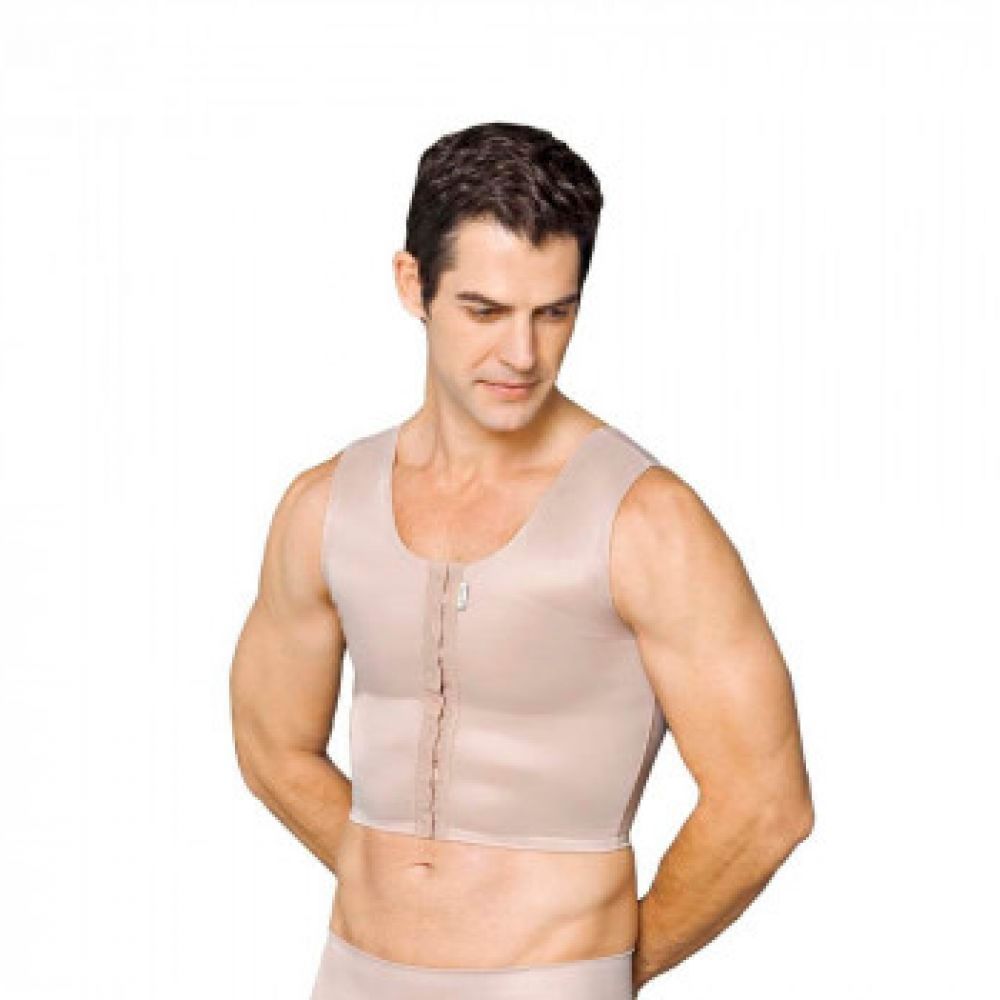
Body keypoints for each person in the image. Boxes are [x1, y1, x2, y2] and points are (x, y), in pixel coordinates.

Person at [229, 121, 814, 999]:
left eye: (554, 312)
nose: (522, 354)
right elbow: (270, 744)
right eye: (485, 311)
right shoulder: (323, 506)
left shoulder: (650, 523)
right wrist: (407, 890)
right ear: (413, 285)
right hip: (354, 973)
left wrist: (609, 967)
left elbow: (766, 805)